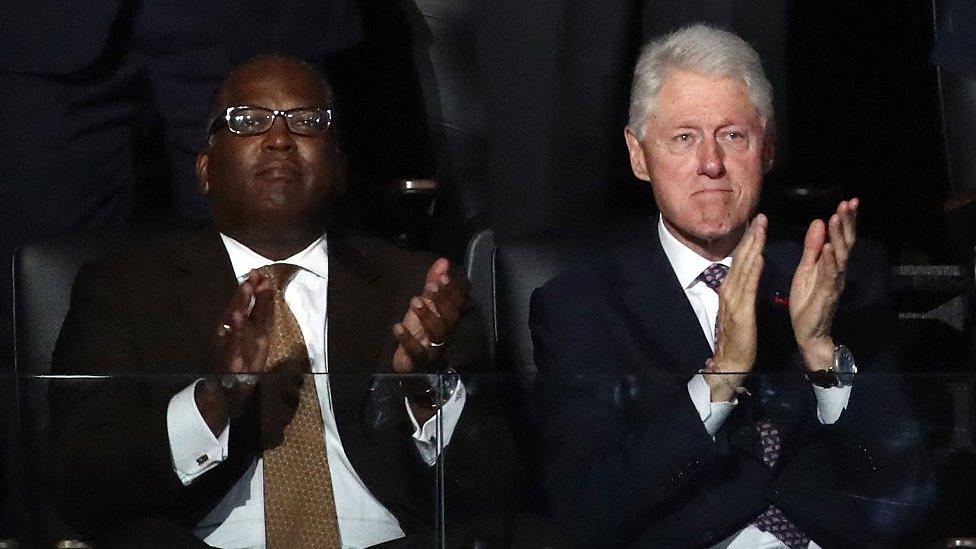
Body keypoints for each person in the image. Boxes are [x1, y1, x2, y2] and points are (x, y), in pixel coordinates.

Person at [49, 55, 513, 548]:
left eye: (308, 122)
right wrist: (216, 398)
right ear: (204, 170)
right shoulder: (125, 288)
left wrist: (425, 392)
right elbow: (81, 483)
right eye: (248, 121)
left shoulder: (419, 289)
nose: (279, 138)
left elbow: (494, 492)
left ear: (339, 168)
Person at [529, 24, 931, 548]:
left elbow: (907, 493)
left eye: (733, 135)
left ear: (767, 148)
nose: (711, 164)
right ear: (637, 155)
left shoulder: (839, 278)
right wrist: (718, 381)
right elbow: (588, 512)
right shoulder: (580, 307)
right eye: (683, 137)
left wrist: (821, 354)